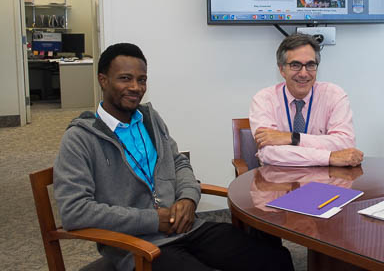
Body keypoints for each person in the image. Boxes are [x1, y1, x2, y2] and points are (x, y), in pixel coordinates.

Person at [53, 43, 294, 271]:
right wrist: (153, 220)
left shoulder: (149, 118)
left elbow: (178, 162)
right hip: (136, 245)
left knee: (274, 259)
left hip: (185, 228)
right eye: (125, 78)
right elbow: (75, 211)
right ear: (103, 81)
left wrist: (188, 199)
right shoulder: (80, 138)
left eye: (142, 79)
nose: (136, 87)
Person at [250, 33, 363, 167]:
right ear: (282, 69)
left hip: (325, 182)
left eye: (310, 65)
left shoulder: (334, 95)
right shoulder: (264, 99)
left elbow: (345, 143)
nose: (304, 73)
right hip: (278, 182)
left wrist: (292, 138)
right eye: (295, 65)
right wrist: (330, 157)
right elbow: (268, 153)